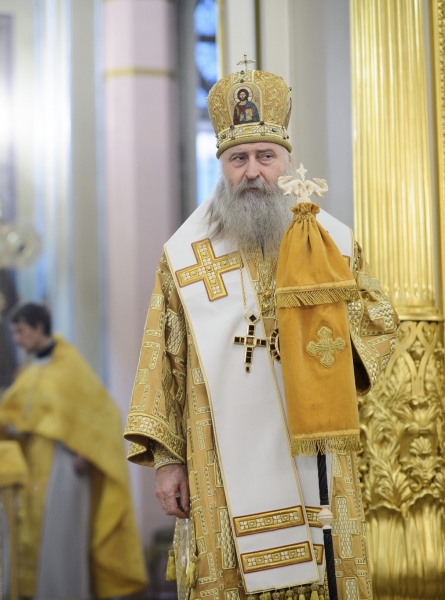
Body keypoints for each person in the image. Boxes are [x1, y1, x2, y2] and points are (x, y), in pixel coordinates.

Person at [124, 65, 398, 600]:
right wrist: (168, 463)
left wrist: (329, 347)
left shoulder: (329, 243)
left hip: (314, 450)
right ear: (222, 166)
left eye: (265, 157)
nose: (253, 171)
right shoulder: (184, 257)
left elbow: (378, 325)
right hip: (217, 464)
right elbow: (162, 361)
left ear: (286, 161)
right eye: (238, 159)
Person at [0, 302, 147, 600]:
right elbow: (17, 421)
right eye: (14, 332)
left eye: (21, 331)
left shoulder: (69, 363)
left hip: (62, 464)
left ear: (39, 327)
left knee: (60, 542)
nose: (16, 339)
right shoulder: (29, 371)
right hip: (32, 463)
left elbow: (104, 413)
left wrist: (88, 453)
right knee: (31, 538)